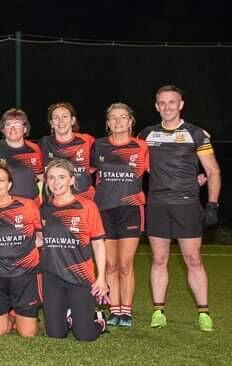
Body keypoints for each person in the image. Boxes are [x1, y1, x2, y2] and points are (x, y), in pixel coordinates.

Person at [138, 85, 221, 332]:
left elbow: (213, 171)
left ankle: (204, 313)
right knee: (159, 259)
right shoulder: (146, 134)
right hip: (158, 204)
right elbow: (140, 166)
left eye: (171, 102)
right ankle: (158, 311)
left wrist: (213, 204)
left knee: (193, 259)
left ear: (181, 104)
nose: (167, 107)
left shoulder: (196, 134)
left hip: (186, 204)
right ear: (156, 106)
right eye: (162, 103)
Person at [40, 159, 109, 341]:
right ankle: (70, 316)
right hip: (52, 277)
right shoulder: (45, 208)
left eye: (61, 177)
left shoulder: (87, 206)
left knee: (84, 335)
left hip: (80, 278)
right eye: (52, 178)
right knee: (55, 334)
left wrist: (101, 278)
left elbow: (98, 243)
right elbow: (40, 238)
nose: (56, 182)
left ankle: (98, 319)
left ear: (71, 180)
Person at [93, 103, 148, 327]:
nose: (118, 122)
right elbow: (80, 171)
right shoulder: (98, 146)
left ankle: (126, 312)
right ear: (107, 123)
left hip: (130, 210)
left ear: (130, 121)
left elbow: (166, 165)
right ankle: (114, 310)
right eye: (113, 118)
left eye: (122, 117)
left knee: (126, 265)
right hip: (104, 211)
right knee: (110, 265)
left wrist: (193, 179)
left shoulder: (142, 146)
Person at [0, 161, 42, 337]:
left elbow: (41, 235)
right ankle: (11, 317)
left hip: (24, 276)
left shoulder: (27, 206)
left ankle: (15, 313)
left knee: (27, 334)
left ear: (10, 184)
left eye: (1, 180)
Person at [0, 108, 44, 200]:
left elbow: (41, 176)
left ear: (25, 129)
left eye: (17, 124)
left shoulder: (34, 149)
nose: (12, 128)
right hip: (2, 206)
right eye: (8, 124)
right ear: (2, 129)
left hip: (31, 205)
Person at [39, 102, 96, 200]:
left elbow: (97, 164)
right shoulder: (44, 143)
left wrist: (82, 173)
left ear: (72, 120)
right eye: (56, 118)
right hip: (55, 199)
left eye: (65, 116)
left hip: (83, 197)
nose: (61, 121)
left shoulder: (86, 140)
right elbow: (38, 171)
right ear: (51, 123)